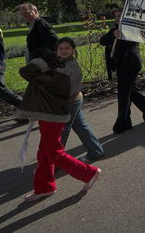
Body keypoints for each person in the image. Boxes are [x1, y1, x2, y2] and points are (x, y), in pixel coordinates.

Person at [14, 47, 101, 202]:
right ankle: (44, 187)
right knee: (44, 152)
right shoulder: (50, 72)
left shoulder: (54, 74)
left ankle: (88, 173)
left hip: (53, 115)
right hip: (51, 113)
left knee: (53, 152)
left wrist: (40, 62)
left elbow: (25, 72)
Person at [99, 10, 145, 134]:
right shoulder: (114, 30)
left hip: (130, 64)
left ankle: (124, 122)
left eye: (120, 15)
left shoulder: (132, 29)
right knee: (129, 91)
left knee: (124, 92)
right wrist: (113, 34)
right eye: (116, 16)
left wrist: (121, 35)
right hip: (121, 65)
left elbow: (133, 42)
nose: (118, 18)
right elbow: (102, 41)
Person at [57, 37, 105, 162]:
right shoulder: (61, 63)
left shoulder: (71, 66)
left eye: (67, 48)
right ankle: (95, 150)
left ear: (73, 50)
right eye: (60, 48)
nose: (63, 51)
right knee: (80, 126)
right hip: (73, 100)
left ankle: (55, 160)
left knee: (60, 132)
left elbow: (65, 90)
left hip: (69, 102)